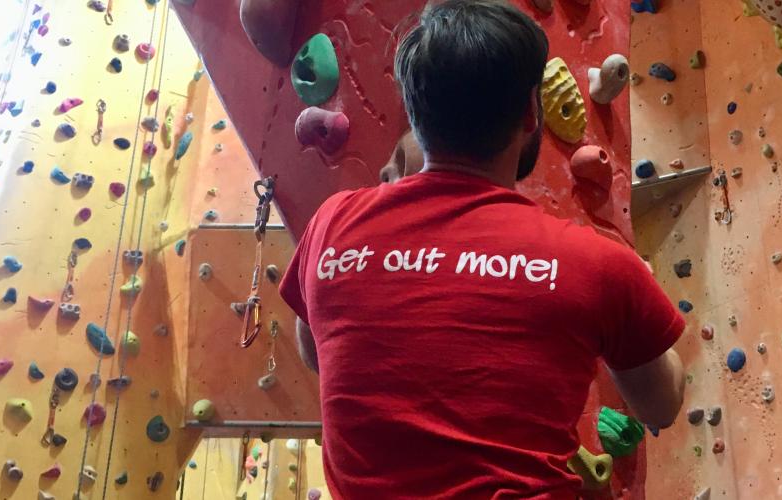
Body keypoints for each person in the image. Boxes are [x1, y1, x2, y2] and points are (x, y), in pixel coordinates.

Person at [279, 1, 685, 498]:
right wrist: (638, 295)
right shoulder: (597, 264)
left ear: (416, 112)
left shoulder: (331, 226)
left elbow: (315, 351)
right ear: (530, 114)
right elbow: (661, 405)